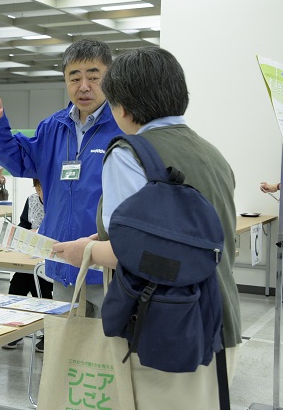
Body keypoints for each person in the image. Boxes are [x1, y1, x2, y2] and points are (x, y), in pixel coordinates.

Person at [51, 47, 241, 408]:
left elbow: (130, 253)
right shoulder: (212, 153)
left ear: (122, 106)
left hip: (165, 326)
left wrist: (85, 251)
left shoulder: (129, 154)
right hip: (221, 319)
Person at [0, 39, 122, 317]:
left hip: (108, 269)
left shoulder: (123, 126)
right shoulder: (53, 127)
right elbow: (18, 160)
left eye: (94, 77)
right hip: (62, 263)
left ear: (109, 78)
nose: (84, 86)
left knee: (109, 354)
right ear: (65, 81)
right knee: (66, 353)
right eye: (75, 77)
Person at [2, 178, 53, 352]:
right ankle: (15, 330)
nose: (41, 194)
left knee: (42, 286)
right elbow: (23, 225)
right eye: (38, 190)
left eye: (43, 189)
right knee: (17, 285)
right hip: (31, 255)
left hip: (51, 257)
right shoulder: (31, 200)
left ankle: (50, 334)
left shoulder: (59, 201)